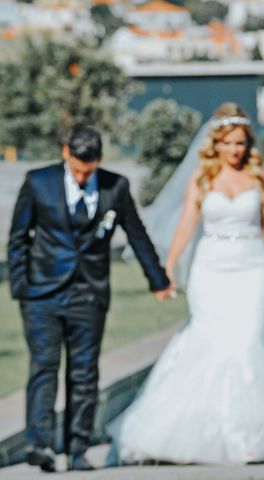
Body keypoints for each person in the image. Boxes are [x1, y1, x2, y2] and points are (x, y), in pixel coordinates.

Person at [107, 103, 264, 465]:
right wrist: (167, 267)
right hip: (210, 267)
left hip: (254, 267)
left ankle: (252, 437)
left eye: (240, 143)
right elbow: (186, 224)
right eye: (228, 143)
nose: (235, 150)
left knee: (249, 341)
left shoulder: (258, 175)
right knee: (209, 339)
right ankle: (186, 433)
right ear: (215, 143)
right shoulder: (201, 177)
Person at [7, 125, 174, 473]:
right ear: (66, 153)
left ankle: (77, 448)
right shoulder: (38, 182)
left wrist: (157, 279)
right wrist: (21, 286)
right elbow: (18, 237)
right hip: (42, 296)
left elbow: (137, 234)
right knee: (44, 368)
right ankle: (40, 445)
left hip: (89, 295)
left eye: (90, 169)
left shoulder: (116, 186)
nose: (84, 177)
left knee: (84, 374)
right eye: (79, 169)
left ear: (98, 160)